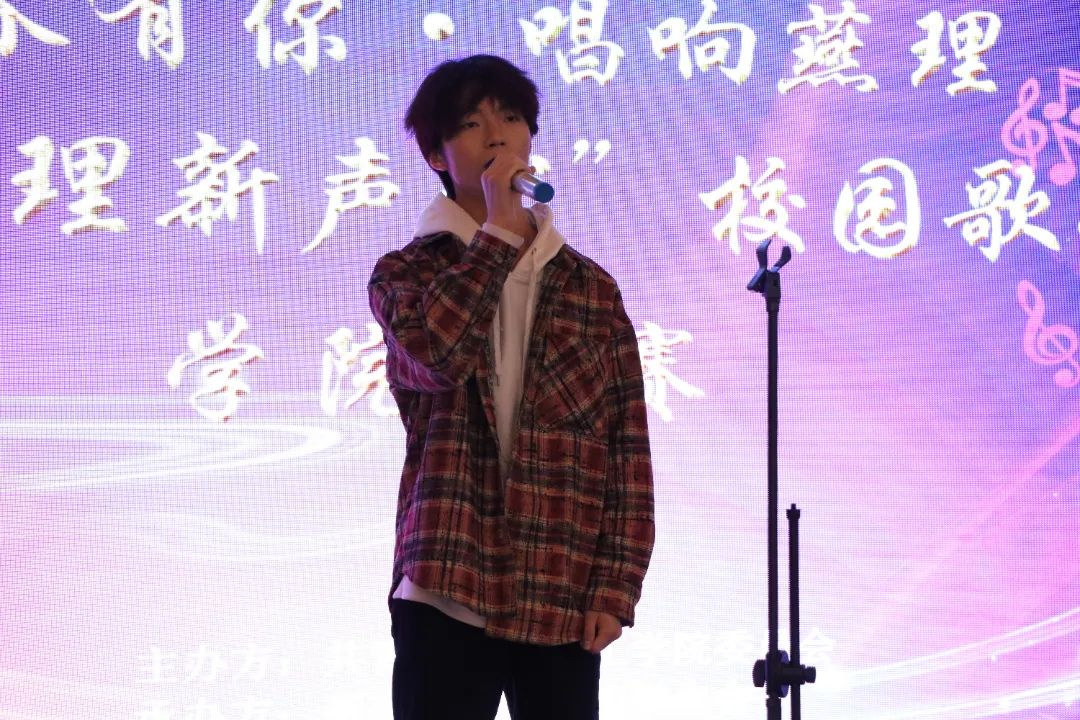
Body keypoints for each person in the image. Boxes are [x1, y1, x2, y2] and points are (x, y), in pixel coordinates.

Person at [368, 54, 654, 720]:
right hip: (446, 580)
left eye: (511, 117)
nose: (497, 134)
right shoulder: (405, 274)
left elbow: (626, 445)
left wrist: (616, 585)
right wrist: (498, 230)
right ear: (437, 156)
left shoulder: (590, 288)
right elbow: (439, 356)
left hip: (559, 588)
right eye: (471, 123)